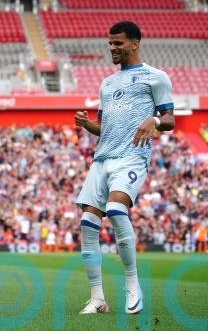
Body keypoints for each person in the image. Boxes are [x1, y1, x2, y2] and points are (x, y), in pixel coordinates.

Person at [74, 21, 175, 315]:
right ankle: (97, 299)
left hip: (132, 156)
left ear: (135, 43)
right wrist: (86, 124)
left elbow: (170, 120)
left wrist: (154, 120)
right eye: (110, 43)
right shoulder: (107, 84)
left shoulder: (156, 77)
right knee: (87, 223)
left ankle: (132, 285)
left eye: (118, 43)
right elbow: (103, 127)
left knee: (117, 210)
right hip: (102, 158)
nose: (113, 48)